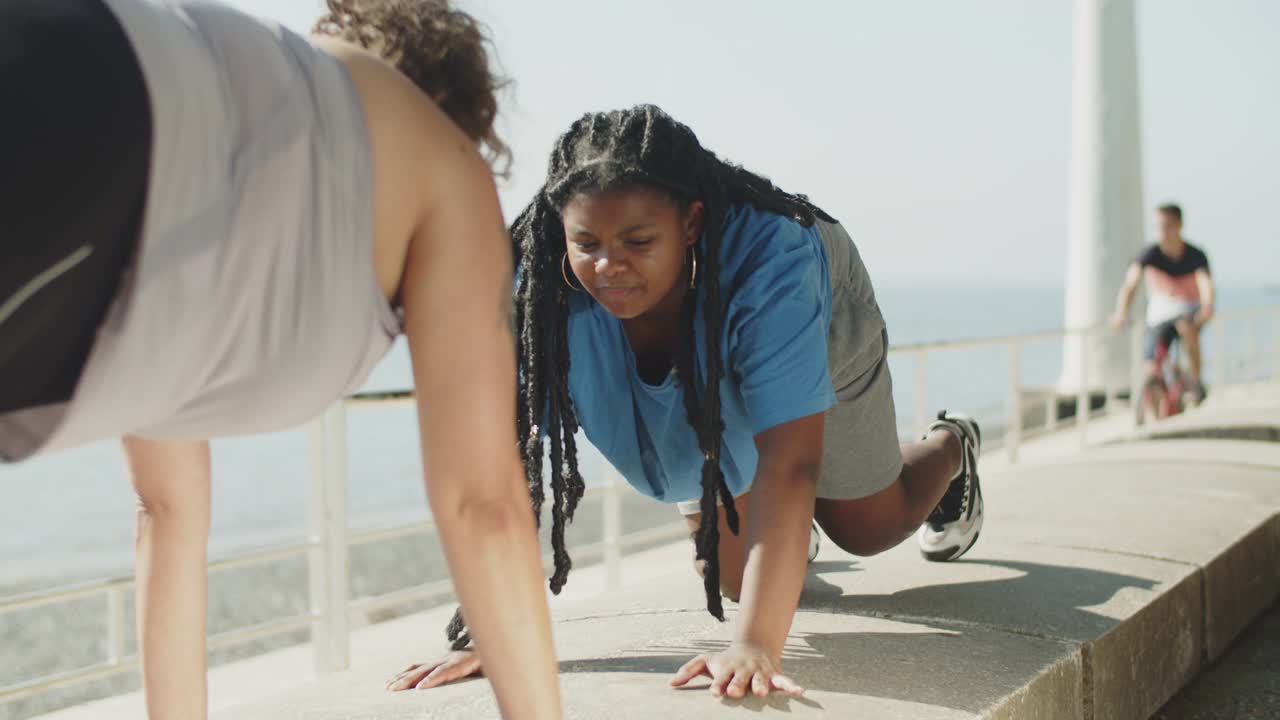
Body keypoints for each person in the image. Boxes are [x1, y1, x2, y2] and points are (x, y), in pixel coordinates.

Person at [0, 1, 559, 718]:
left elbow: (167, 512)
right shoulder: (441, 158)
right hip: (97, 113)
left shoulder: (241, 128)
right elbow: (482, 505)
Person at [389, 104, 984, 700]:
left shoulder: (774, 261)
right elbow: (501, 469)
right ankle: (775, 529)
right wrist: (486, 633)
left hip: (813, 313)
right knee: (734, 580)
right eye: (586, 241)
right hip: (701, 358)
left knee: (867, 527)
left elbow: (791, 460)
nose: (609, 265)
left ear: (692, 223)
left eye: (638, 241)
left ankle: (953, 443)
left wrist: (755, 645)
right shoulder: (535, 285)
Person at [1110, 203, 1215, 397]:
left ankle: (1195, 379)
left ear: (1179, 225)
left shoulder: (1195, 255)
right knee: (1150, 362)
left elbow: (1205, 283)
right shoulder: (1149, 254)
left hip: (1189, 309)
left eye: (1167, 226)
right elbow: (1130, 285)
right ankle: (1152, 399)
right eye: (1158, 226)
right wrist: (1121, 312)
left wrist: (1208, 305)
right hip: (1160, 313)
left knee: (1186, 328)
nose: (1162, 232)